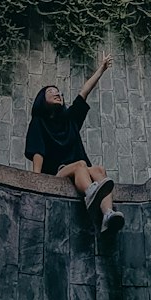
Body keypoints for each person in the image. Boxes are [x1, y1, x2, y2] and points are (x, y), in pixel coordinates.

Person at [25, 54, 124, 235]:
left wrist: (102, 68)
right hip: (57, 174)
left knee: (99, 170)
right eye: (51, 92)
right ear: (41, 100)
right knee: (81, 165)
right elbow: (38, 152)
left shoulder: (69, 120)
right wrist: (35, 184)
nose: (57, 93)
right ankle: (91, 193)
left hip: (81, 172)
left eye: (58, 92)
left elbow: (84, 92)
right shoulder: (39, 122)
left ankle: (108, 215)